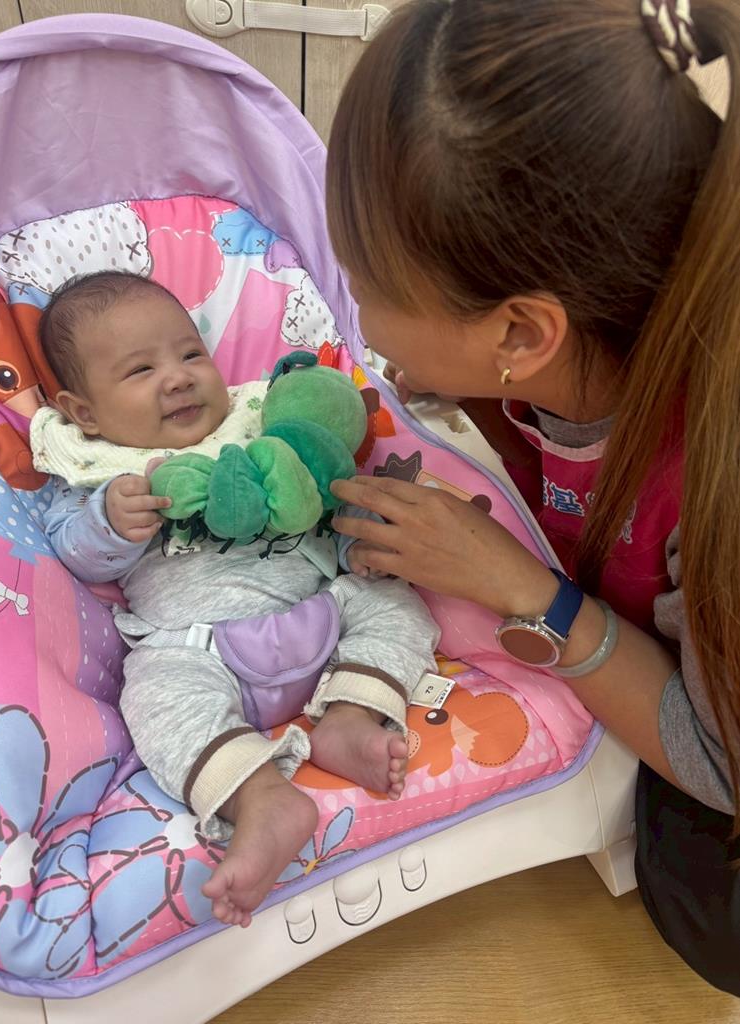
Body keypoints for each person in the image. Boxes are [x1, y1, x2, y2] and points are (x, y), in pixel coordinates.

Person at [325, 0, 740, 995]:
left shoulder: (710, 476)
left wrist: (529, 592)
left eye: (367, 282)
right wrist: (458, 381)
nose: (354, 310)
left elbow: (721, 766)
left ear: (520, 332)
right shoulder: (565, 348)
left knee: (701, 903)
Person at [33, 270, 439, 927]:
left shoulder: (261, 425)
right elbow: (72, 554)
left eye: (191, 354)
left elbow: (321, 502)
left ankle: (351, 714)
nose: (178, 377)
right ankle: (261, 797)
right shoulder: (94, 474)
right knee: (154, 694)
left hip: (321, 611)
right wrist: (109, 522)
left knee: (393, 599)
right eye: (141, 370)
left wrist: (355, 547)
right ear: (84, 413)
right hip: (198, 651)